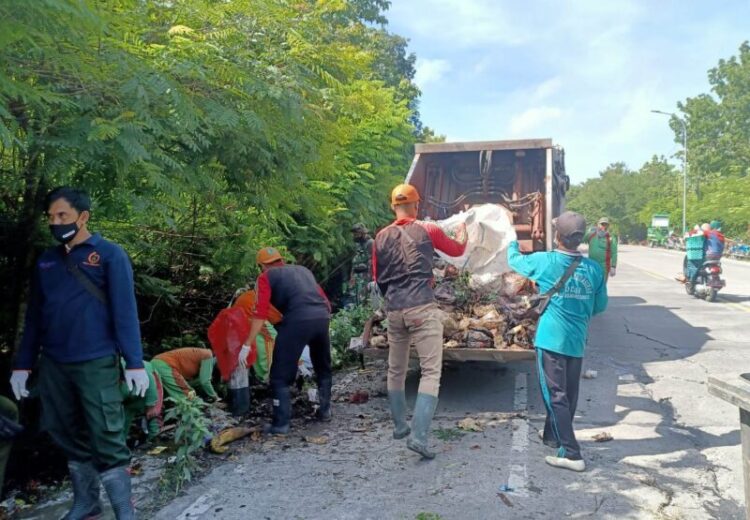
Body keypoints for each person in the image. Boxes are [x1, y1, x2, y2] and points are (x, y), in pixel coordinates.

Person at [10, 186, 148, 519]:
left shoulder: (110, 255)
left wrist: (134, 362)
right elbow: (35, 319)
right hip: (55, 363)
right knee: (65, 431)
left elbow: (125, 312)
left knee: (106, 433)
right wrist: (23, 364)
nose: (55, 223)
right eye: (51, 217)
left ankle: (124, 511)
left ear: (83, 217)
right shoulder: (47, 260)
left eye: (63, 216)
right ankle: (87, 504)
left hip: (96, 361)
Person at [507, 211, 607, 472]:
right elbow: (599, 306)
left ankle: (572, 453)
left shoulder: (546, 262)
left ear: (557, 236)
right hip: (576, 341)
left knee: (554, 396)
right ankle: (553, 437)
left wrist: (511, 237)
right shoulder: (595, 270)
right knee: (569, 394)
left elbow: (513, 259)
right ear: (582, 237)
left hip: (550, 340)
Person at [373, 184, 467, 459]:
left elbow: (378, 276)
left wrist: (393, 301)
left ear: (393, 207)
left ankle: (401, 426)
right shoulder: (428, 229)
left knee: (396, 369)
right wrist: (463, 232)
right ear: (417, 205)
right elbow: (457, 250)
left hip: (394, 310)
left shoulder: (380, 236)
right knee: (430, 372)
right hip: (422, 308)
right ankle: (419, 436)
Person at [243, 247, 332, 434]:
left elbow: (260, 312)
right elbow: (326, 302)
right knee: (322, 367)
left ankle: (281, 424)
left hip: (297, 321)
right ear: (280, 260)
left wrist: (247, 344)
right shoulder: (304, 271)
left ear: (262, 266)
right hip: (322, 318)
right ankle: (325, 411)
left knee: (279, 377)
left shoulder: (265, 277)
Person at [151, 347, 219, 403]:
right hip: (165, 365)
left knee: (159, 396)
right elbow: (205, 381)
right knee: (189, 394)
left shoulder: (201, 358)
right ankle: (196, 416)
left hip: (157, 363)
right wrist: (216, 398)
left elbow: (191, 382)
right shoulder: (208, 355)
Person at [120, 359, 163, 442]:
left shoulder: (120, 365)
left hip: (149, 385)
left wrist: (151, 404)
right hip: (128, 396)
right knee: (124, 419)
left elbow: (150, 378)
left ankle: (155, 441)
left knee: (153, 415)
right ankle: (120, 444)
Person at [584, 217, 618, 281]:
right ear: (598, 224)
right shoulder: (591, 235)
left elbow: (614, 253)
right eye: (602, 224)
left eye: (606, 224)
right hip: (591, 266)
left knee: (602, 287)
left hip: (604, 267)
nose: (604, 226)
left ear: (608, 226)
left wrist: (613, 266)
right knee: (591, 286)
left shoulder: (611, 238)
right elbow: (581, 239)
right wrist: (587, 229)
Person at [348, 223, 374, 306]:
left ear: (362, 233)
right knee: (355, 296)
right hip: (357, 275)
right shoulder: (358, 244)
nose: (355, 236)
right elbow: (355, 261)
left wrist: (371, 276)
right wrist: (352, 276)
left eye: (357, 234)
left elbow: (373, 260)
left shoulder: (370, 243)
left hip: (366, 275)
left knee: (366, 297)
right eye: (354, 234)